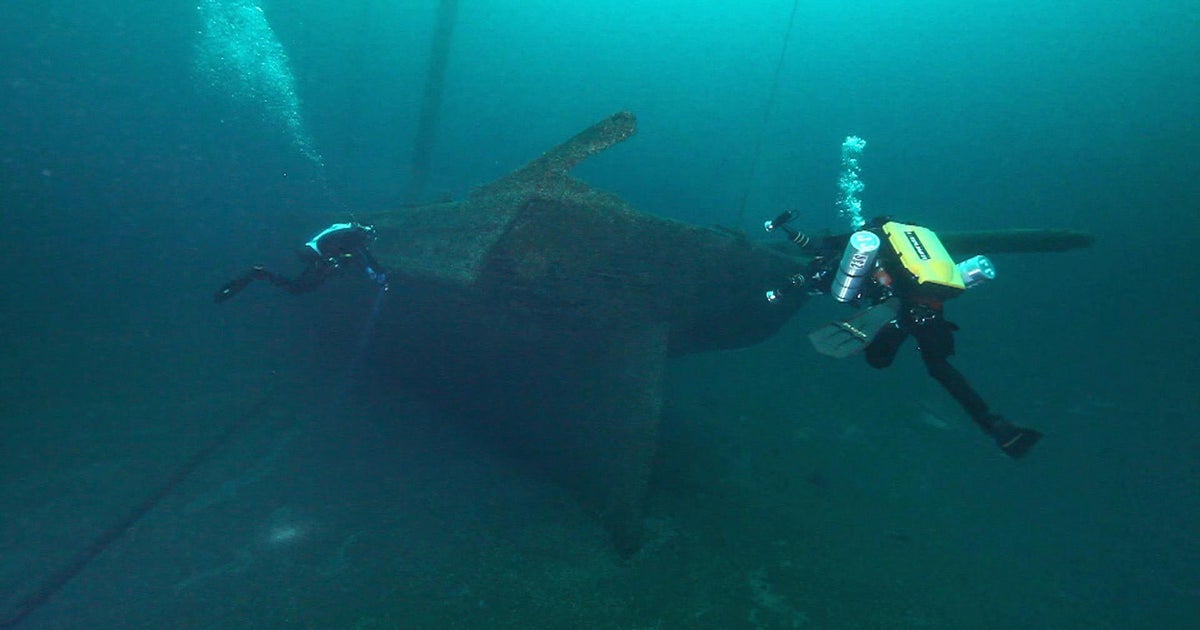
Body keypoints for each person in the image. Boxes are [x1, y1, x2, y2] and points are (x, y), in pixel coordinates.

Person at [765, 212, 1043, 458]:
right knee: (940, 367)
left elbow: (820, 247)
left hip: (896, 306)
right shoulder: (911, 240)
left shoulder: (862, 240)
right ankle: (994, 424)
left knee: (878, 361)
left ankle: (896, 326)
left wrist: (795, 268)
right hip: (930, 302)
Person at [214, 222, 388, 303]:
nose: (368, 243)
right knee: (299, 288)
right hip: (314, 255)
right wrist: (331, 261)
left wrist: (376, 271)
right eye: (369, 240)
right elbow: (347, 249)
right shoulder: (351, 235)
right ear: (364, 235)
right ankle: (260, 272)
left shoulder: (348, 231)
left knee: (300, 287)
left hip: (312, 252)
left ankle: (261, 273)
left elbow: (362, 254)